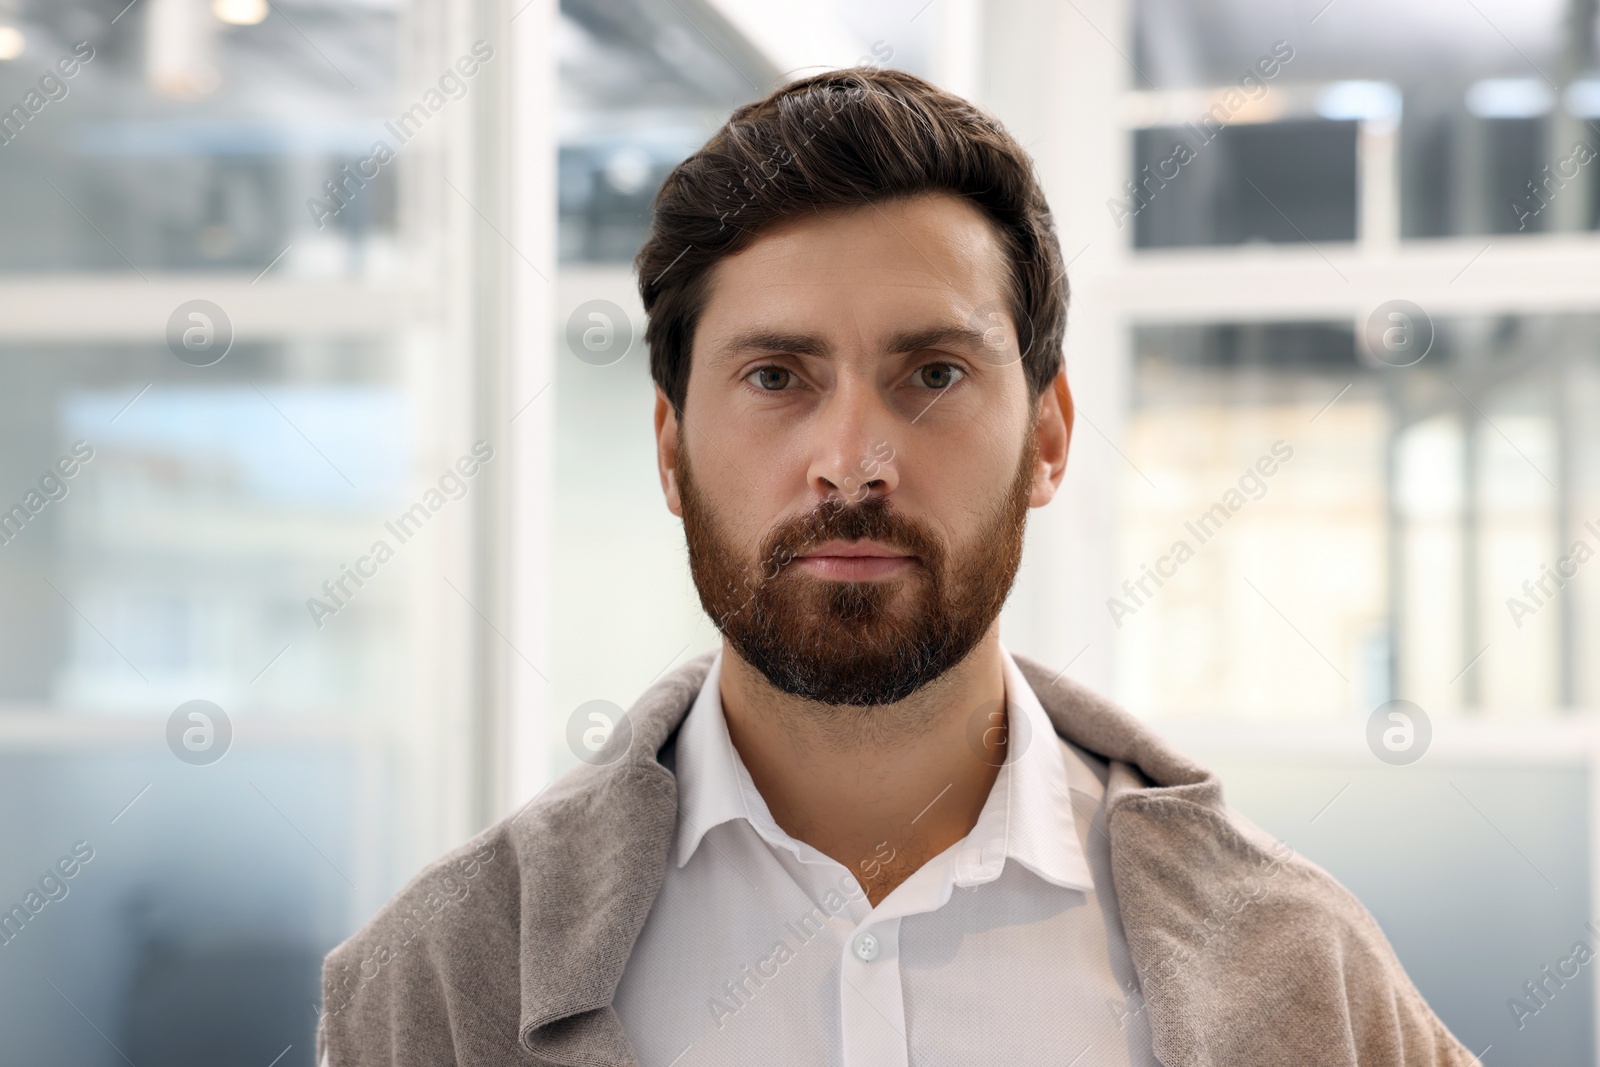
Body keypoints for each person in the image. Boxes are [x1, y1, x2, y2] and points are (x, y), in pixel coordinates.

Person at [316, 67, 1474, 1067]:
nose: (853, 464)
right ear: (671, 450)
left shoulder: (1297, 965)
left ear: (1050, 437)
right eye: (777, 375)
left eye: (931, 374)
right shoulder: (441, 978)